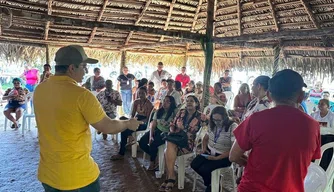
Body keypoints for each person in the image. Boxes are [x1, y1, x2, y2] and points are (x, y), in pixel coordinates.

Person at [33, 45, 142, 192]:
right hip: (77, 177)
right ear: (72, 68)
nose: (86, 71)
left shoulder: (40, 89)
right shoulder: (81, 95)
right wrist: (128, 123)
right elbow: (107, 126)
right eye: (84, 66)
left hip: (48, 173)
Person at [229, 69, 321, 192]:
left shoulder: (256, 119)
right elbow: (308, 160)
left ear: (269, 95)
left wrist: (251, 165)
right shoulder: (313, 126)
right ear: (301, 97)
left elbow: (233, 156)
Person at [159, 95, 205, 191]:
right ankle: (171, 177)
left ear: (196, 103)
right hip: (175, 138)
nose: (188, 102)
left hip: (188, 143)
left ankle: (169, 178)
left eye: (191, 101)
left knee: (168, 147)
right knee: (170, 144)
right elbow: (172, 124)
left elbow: (203, 132)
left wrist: (182, 129)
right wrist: (172, 129)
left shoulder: (201, 116)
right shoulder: (181, 112)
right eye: (187, 100)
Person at [191, 106, 238, 192]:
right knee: (194, 164)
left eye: (219, 120)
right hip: (209, 151)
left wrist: (217, 158)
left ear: (225, 118)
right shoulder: (212, 123)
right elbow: (205, 138)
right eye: (214, 120)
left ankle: (212, 185)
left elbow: (233, 149)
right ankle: (211, 182)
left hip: (224, 156)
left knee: (204, 169)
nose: (216, 122)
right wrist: (204, 149)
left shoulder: (232, 126)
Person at [111, 86, 153, 160]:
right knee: (122, 120)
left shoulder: (149, 104)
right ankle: (129, 137)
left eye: (143, 93)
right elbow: (132, 114)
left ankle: (122, 152)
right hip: (136, 119)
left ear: (146, 94)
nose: (141, 95)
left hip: (144, 123)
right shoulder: (136, 102)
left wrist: (136, 122)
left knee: (124, 130)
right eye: (139, 93)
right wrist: (131, 121)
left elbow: (148, 119)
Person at [139, 96, 177, 171]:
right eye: (164, 101)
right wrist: (150, 136)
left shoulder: (174, 113)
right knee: (142, 142)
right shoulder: (159, 111)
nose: (164, 103)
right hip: (157, 130)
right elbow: (153, 125)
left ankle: (152, 162)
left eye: (167, 101)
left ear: (171, 103)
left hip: (166, 133)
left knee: (153, 144)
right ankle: (155, 156)